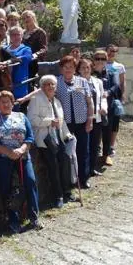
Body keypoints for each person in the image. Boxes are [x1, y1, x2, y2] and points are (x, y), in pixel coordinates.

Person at [0, 91, 42, 233]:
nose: (6, 104)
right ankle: (13, 220)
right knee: (6, 187)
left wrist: (22, 150)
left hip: (23, 156)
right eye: (2, 102)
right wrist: (9, 153)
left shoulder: (22, 116)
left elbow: (29, 137)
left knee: (30, 181)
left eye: (8, 101)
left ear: (13, 103)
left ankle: (34, 217)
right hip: (4, 158)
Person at [27, 76, 76, 208]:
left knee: (65, 163)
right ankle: (58, 196)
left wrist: (67, 135)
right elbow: (31, 120)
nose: (50, 87)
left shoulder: (57, 102)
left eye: (52, 84)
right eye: (47, 84)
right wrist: (49, 121)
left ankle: (67, 192)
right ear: (42, 87)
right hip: (45, 140)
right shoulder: (36, 100)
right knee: (53, 168)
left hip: (59, 138)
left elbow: (62, 121)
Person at [55, 55, 93, 189]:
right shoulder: (56, 82)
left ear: (75, 68)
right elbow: (43, 91)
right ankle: (70, 181)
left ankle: (84, 179)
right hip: (65, 124)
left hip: (82, 121)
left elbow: (89, 102)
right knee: (67, 152)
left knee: (83, 150)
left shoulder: (82, 82)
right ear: (61, 69)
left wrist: (90, 120)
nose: (68, 69)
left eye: (71, 67)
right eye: (65, 67)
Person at [77, 58, 108, 178]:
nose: (85, 70)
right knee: (84, 146)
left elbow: (103, 98)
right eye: (83, 68)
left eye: (87, 67)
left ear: (91, 69)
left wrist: (104, 108)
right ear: (78, 70)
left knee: (95, 145)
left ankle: (91, 169)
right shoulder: (76, 82)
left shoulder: (98, 82)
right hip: (82, 119)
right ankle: (83, 172)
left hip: (97, 117)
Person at [92, 50, 119, 168]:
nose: (100, 61)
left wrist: (108, 92)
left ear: (106, 60)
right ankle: (94, 154)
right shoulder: (90, 73)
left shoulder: (111, 73)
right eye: (97, 58)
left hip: (109, 108)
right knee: (95, 132)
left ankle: (106, 155)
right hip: (93, 109)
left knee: (107, 132)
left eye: (103, 59)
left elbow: (116, 86)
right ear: (94, 60)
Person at [105, 44, 126, 156]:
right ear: (106, 51)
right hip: (103, 95)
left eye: (114, 51)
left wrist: (123, 95)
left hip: (115, 96)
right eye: (110, 50)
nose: (112, 53)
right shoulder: (100, 64)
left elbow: (122, 82)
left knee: (115, 122)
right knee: (102, 122)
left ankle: (111, 146)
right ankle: (100, 146)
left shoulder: (120, 66)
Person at [4, 26, 34, 102]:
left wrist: (11, 60)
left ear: (22, 36)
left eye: (18, 34)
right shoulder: (4, 49)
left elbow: (26, 58)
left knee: (17, 107)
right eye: (13, 35)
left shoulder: (26, 49)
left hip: (18, 84)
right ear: (10, 36)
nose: (16, 37)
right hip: (4, 82)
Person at [22, 10, 48, 83]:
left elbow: (44, 49)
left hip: (35, 62)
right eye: (23, 18)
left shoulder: (40, 32)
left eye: (27, 17)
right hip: (24, 62)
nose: (26, 19)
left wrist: (35, 55)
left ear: (33, 17)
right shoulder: (23, 33)